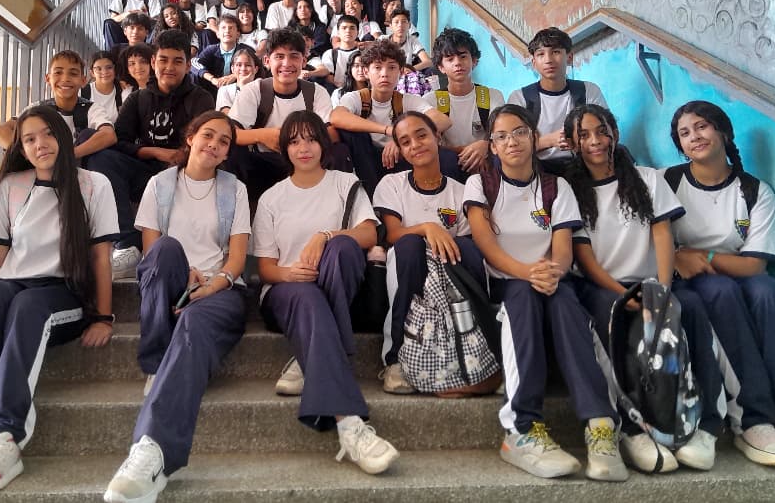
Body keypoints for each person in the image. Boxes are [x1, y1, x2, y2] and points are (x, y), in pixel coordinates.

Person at [0, 104, 117, 491]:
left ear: (66, 136)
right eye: (29, 139)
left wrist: (103, 317)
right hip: (11, 285)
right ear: (21, 149)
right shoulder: (11, 185)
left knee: (28, 307)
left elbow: (100, 258)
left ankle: (5, 434)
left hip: (61, 293)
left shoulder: (94, 184)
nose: (41, 144)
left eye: (48, 133)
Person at [462, 104, 627, 482]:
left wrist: (552, 273)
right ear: (492, 146)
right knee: (522, 296)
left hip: (550, 278)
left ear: (535, 137)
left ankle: (600, 425)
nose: (512, 142)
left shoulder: (555, 186)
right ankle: (522, 429)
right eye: (501, 136)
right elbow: (486, 245)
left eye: (520, 132)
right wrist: (527, 273)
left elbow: (564, 247)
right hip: (507, 283)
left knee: (567, 302)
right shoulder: (481, 184)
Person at [562, 104, 723, 473]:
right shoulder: (571, 189)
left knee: (691, 308)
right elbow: (584, 256)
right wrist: (623, 295)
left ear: (614, 133)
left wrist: (661, 290)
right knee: (614, 317)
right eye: (584, 135)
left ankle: (707, 426)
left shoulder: (647, 178)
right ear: (572, 143)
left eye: (601, 131)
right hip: (603, 286)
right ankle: (633, 429)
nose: (595, 141)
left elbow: (663, 235)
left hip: (652, 280)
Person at [104, 112, 249, 503]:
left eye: (223, 141)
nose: (214, 145)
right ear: (190, 137)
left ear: (227, 153)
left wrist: (214, 284)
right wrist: (185, 274)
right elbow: (152, 251)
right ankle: (157, 363)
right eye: (207, 135)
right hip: (171, 281)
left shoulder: (234, 189)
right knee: (166, 248)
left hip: (220, 290)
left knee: (196, 322)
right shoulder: (160, 184)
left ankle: (151, 452)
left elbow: (237, 259)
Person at [252, 111, 399, 475]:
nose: (303, 148)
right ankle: (349, 424)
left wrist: (326, 235)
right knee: (308, 296)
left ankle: (311, 359)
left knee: (344, 247)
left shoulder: (344, 183)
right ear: (284, 149)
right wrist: (290, 274)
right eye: (294, 141)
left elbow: (369, 233)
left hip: (337, 285)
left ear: (323, 143)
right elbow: (265, 268)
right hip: (287, 292)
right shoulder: (271, 198)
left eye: (311, 139)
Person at [666, 100, 775, 466]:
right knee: (721, 291)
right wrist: (680, 257)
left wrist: (701, 254)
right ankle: (753, 418)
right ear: (680, 145)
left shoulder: (754, 190)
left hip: (739, 274)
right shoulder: (668, 182)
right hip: (694, 283)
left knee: (770, 293)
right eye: (685, 133)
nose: (695, 137)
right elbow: (661, 245)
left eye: (702, 126)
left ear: (723, 131)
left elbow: (754, 266)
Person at [373, 111, 479, 395]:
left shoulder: (461, 192)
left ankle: (471, 354)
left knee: (470, 249)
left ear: (437, 137)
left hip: (446, 272)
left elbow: (465, 244)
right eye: (405, 142)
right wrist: (427, 227)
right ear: (400, 150)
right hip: (408, 267)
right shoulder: (392, 184)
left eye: (421, 135)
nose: (415, 145)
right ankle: (395, 358)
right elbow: (393, 234)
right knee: (408, 245)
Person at [109, 30, 215, 275]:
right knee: (104, 157)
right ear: (153, 62)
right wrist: (155, 152)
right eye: (163, 60)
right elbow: (120, 140)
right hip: (145, 172)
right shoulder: (138, 98)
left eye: (177, 61)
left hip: (184, 173)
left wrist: (178, 156)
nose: (169, 67)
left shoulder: (201, 98)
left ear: (188, 66)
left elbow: (205, 141)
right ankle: (128, 244)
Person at [330, 40, 453, 194]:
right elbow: (337, 117)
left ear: (401, 72)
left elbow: (443, 121)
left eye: (392, 67)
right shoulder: (355, 98)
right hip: (366, 161)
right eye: (377, 67)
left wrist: (401, 139)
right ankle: (369, 196)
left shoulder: (408, 100)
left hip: (399, 159)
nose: (384, 74)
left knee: (446, 157)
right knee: (351, 134)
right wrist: (389, 130)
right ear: (366, 72)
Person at [227, 28, 335, 202]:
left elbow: (331, 133)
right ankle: (239, 207)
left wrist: (296, 141)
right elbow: (232, 133)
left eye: (294, 56)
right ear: (267, 61)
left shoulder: (316, 92)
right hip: (265, 162)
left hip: (305, 159)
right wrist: (263, 135)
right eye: (279, 56)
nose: (286, 63)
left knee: (339, 150)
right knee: (231, 152)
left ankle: (334, 203)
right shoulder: (254, 90)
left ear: (304, 61)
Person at [507, 27, 606, 176]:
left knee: (621, 154)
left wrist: (580, 139)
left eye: (556, 52)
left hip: (582, 165)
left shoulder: (588, 90)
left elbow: (606, 132)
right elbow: (510, 147)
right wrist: (550, 140)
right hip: (538, 169)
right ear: (534, 62)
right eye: (541, 54)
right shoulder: (520, 97)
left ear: (569, 57)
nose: (548, 60)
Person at [0, 51, 116, 164]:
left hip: (78, 170)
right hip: (41, 169)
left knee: (89, 136)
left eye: (73, 73)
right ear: (48, 78)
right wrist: (28, 154)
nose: (65, 79)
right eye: (58, 72)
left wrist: (67, 156)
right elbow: (0, 132)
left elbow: (109, 135)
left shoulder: (92, 108)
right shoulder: (38, 108)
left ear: (83, 81)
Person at [430, 28, 504, 175]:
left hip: (486, 163)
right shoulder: (431, 100)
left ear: (474, 61)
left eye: (463, 56)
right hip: (449, 165)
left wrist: (486, 145)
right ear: (441, 67)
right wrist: (468, 152)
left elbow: (503, 134)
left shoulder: (492, 96)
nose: (457, 63)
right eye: (450, 59)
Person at [191, 15, 243, 97]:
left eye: (231, 28)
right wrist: (212, 79)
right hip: (213, 89)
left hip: (238, 90)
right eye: (223, 28)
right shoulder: (212, 49)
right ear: (218, 34)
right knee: (193, 75)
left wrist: (235, 75)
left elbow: (256, 66)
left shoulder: (244, 50)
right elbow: (194, 62)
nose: (227, 31)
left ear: (238, 34)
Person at [321, 14, 362, 89]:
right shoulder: (330, 54)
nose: (348, 31)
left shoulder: (364, 53)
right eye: (344, 28)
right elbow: (329, 79)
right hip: (337, 92)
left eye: (352, 28)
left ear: (358, 32)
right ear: (338, 32)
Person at [83, 50, 122, 126]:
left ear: (115, 69)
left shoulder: (123, 92)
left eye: (109, 67)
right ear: (92, 73)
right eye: (99, 69)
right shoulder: (83, 92)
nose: (104, 72)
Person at [216, 47, 260, 112]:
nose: (243, 69)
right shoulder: (224, 90)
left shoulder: (262, 89)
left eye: (248, 65)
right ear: (232, 69)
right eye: (239, 65)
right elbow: (227, 116)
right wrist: (243, 87)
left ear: (256, 69)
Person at [386, 9, 431, 73]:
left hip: (406, 74)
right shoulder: (383, 40)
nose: (400, 25)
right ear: (390, 26)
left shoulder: (412, 40)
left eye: (404, 22)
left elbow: (428, 61)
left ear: (409, 25)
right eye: (396, 22)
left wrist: (410, 69)